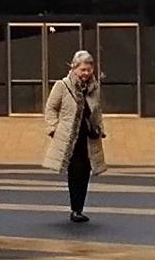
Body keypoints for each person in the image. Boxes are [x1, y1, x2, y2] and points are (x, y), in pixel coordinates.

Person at [41, 48, 106, 223]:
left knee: (85, 172)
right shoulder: (62, 86)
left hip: (87, 137)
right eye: (82, 69)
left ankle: (79, 208)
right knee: (75, 171)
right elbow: (50, 108)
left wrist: (100, 128)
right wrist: (53, 128)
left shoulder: (94, 88)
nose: (86, 73)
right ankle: (75, 209)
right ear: (74, 68)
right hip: (70, 137)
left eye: (89, 69)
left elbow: (97, 111)